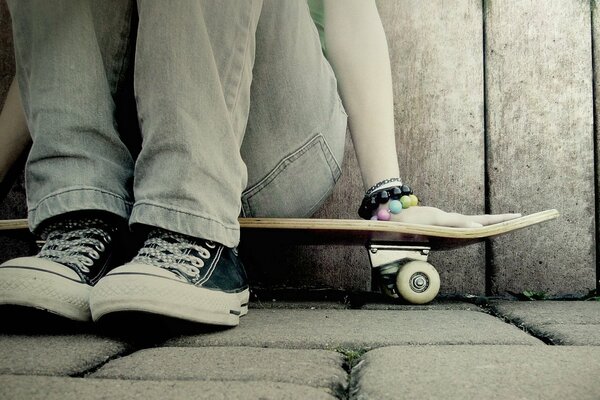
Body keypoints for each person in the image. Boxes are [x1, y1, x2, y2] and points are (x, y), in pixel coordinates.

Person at [0, 0, 518, 327]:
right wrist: (69, 190)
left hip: (273, 141)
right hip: (132, 166)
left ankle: (190, 222)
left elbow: (351, 16)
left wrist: (389, 196)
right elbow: (57, 57)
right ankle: (83, 226)